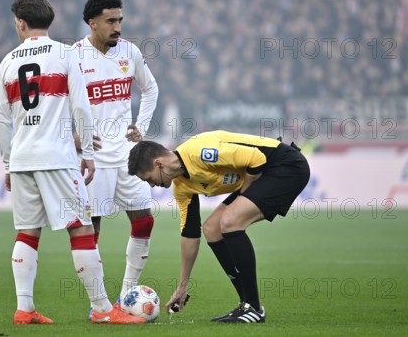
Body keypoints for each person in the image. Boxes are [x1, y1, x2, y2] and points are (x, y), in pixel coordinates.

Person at [0, 0, 145, 325]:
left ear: (21, 23)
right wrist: (88, 154)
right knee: (81, 229)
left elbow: (1, 122)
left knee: (27, 232)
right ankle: (104, 310)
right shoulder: (65, 54)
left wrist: (7, 164)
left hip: (21, 158)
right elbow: (80, 107)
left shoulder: (7, 63)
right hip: (56, 156)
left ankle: (25, 308)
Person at [128, 131, 311, 323]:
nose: (152, 184)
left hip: (285, 166)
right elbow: (190, 234)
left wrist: (243, 196)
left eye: (148, 178)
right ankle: (246, 305)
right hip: (263, 174)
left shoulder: (199, 152)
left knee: (231, 221)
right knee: (212, 229)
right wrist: (183, 285)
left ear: (159, 164)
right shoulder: (182, 186)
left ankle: (253, 308)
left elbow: (257, 158)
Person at [72, 0, 159, 313]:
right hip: (93, 156)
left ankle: (126, 296)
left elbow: (151, 88)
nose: (117, 27)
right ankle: (100, 305)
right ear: (91, 23)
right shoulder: (74, 57)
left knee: (144, 220)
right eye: (110, 21)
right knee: (91, 227)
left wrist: (142, 126)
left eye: (120, 20)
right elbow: (60, 101)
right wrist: (74, 136)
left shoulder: (129, 51)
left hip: (127, 153)